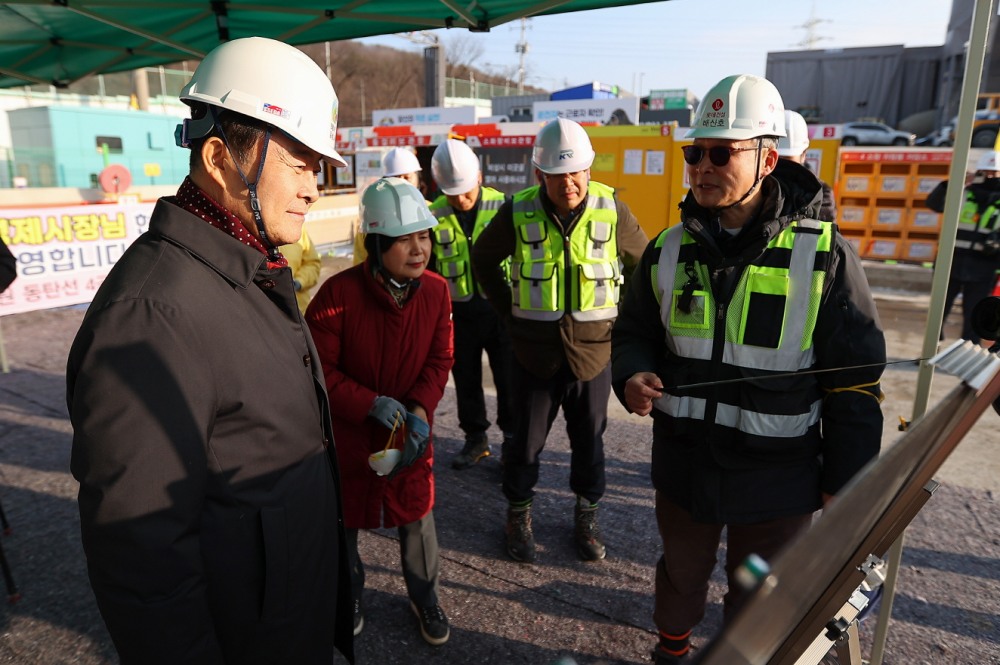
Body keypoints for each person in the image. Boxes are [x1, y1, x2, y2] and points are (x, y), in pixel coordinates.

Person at [66, 37, 354, 665]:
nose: (314, 187)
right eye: (300, 162)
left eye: (319, 166)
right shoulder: (151, 315)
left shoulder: (249, 267)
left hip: (286, 618)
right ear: (222, 158)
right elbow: (142, 561)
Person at [610, 74, 886, 664]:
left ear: (766, 159)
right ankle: (673, 650)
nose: (702, 167)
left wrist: (846, 486)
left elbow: (856, 382)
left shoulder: (825, 256)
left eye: (721, 153)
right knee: (680, 576)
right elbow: (633, 331)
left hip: (778, 481)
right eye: (695, 153)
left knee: (759, 596)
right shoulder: (667, 249)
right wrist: (631, 375)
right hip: (684, 463)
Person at [472, 117, 648, 563]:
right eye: (557, 173)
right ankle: (518, 515)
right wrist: (509, 315)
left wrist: (624, 326)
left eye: (575, 172)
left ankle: (586, 517)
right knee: (523, 445)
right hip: (532, 355)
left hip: (594, 355)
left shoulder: (614, 211)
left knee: (590, 442)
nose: (568, 182)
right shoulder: (517, 210)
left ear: (588, 170)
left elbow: (644, 267)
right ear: (540, 175)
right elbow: (483, 260)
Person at [306, 177, 454, 646]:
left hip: (408, 430)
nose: (418, 249)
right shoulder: (337, 296)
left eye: (423, 236)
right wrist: (369, 403)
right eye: (404, 238)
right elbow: (317, 371)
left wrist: (419, 410)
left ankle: (424, 594)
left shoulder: (436, 292)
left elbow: (439, 358)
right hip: (351, 436)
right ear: (376, 242)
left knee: (416, 514)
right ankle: (348, 594)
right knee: (345, 520)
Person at [428, 138, 516, 469]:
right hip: (459, 315)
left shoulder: (503, 205)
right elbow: (431, 267)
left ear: (479, 177)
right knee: (466, 380)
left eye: (465, 191)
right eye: (453, 194)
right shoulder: (433, 214)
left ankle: (512, 440)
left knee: (508, 380)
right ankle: (475, 439)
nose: (461, 200)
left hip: (501, 312)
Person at [926, 150, 1000, 344]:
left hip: (984, 267)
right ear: (977, 173)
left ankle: (968, 358)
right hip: (951, 261)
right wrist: (954, 182)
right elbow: (933, 203)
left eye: (994, 174)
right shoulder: (963, 192)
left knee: (975, 316)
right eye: (985, 172)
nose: (990, 177)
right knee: (938, 312)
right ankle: (931, 351)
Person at [353, 147, 425, 266]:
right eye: (396, 178)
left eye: (407, 177)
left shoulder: (432, 211)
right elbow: (361, 261)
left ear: (418, 178)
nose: (402, 183)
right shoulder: (372, 217)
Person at [776, 109, 836, 222]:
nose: (780, 166)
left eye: (787, 159)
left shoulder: (821, 194)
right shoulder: (755, 188)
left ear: (804, 154)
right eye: (775, 159)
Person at [281, 228, 322, 314]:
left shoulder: (298, 229)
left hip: (300, 312)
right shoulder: (251, 231)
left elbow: (312, 264)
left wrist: (299, 282)